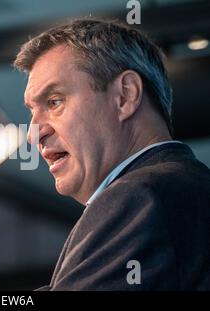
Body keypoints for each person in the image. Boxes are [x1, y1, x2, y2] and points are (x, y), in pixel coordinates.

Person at [13, 18, 210, 290]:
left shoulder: (140, 196)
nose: (33, 133)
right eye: (31, 112)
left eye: (54, 101)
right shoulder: (185, 189)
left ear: (125, 96)